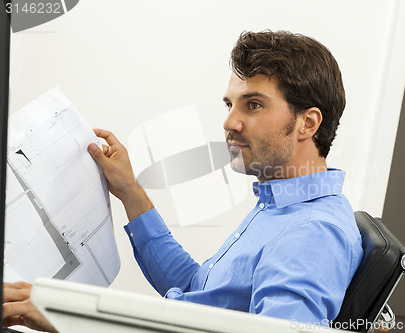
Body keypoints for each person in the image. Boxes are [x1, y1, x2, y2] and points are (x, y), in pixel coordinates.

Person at [3, 30, 363, 332]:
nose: (230, 122)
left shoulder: (311, 233)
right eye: (230, 105)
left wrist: (79, 321)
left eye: (253, 105)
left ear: (308, 123)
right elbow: (195, 291)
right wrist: (130, 192)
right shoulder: (281, 206)